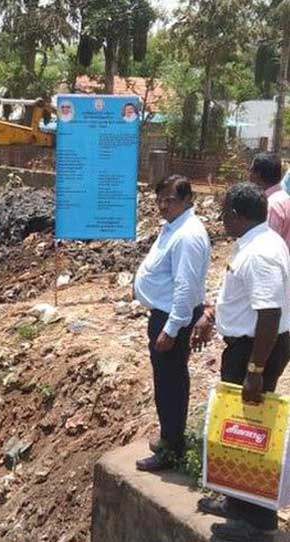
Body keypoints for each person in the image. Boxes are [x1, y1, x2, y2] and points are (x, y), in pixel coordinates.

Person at [192, 182, 290, 541]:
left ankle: (257, 520)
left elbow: (268, 314)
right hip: (246, 346)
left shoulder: (261, 251)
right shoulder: (254, 242)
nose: (221, 221)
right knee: (238, 426)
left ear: (237, 215)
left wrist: (254, 371)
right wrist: (213, 315)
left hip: (256, 351)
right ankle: (236, 502)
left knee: (253, 431)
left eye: (224, 214)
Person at [133, 175, 211, 471]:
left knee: (169, 385)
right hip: (164, 315)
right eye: (160, 199)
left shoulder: (187, 234)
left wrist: (171, 329)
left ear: (188, 200)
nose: (163, 205)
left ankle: (171, 449)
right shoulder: (174, 227)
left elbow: (185, 287)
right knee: (168, 381)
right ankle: (171, 437)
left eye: (171, 200)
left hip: (172, 319)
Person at [249, 152, 290, 247]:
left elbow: (267, 246)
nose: (249, 175)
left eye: (251, 170)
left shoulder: (271, 206)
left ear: (257, 175)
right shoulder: (285, 199)